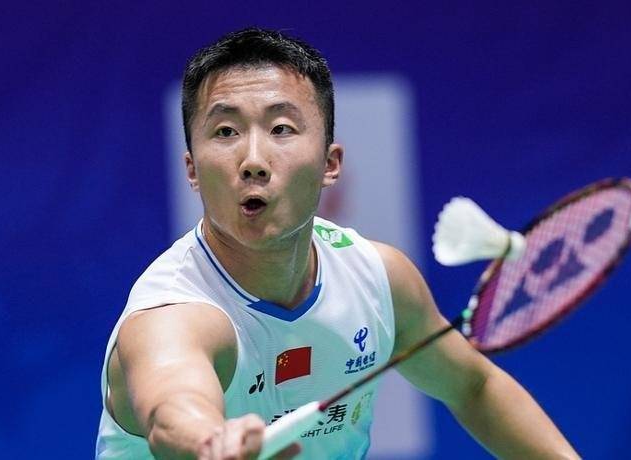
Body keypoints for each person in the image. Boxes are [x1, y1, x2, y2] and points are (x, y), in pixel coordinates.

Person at [95, 27, 580, 460]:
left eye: (281, 129)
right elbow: (171, 403)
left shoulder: (376, 278)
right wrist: (210, 443)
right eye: (226, 131)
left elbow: (474, 386)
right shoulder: (172, 314)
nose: (253, 160)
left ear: (331, 164)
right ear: (192, 170)